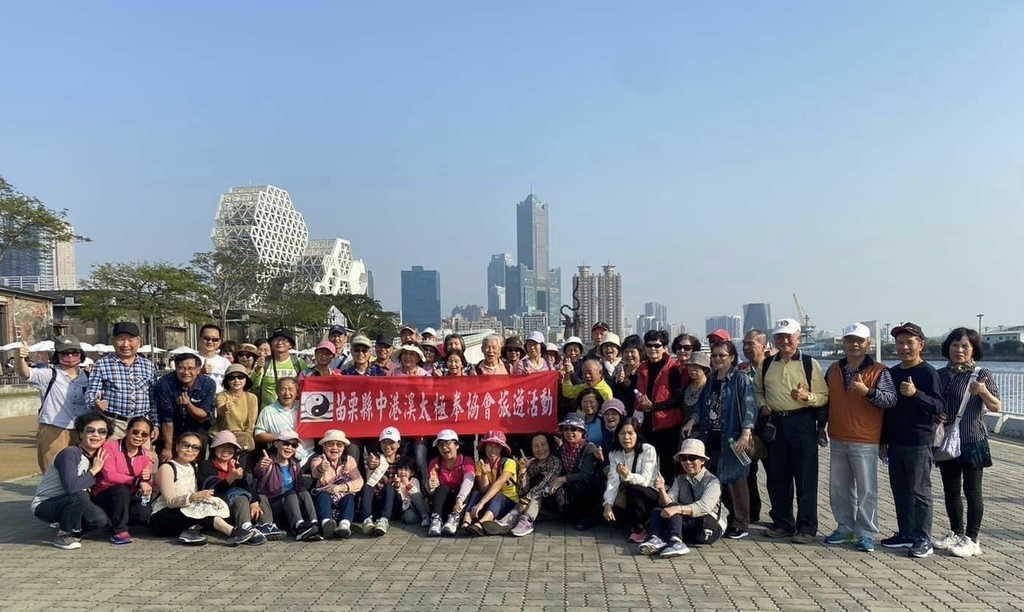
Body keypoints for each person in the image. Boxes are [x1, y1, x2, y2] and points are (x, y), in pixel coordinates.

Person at [823, 323, 898, 553]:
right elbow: (826, 399)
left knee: (867, 489)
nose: (854, 344)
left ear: (868, 344)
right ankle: (844, 528)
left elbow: (891, 400)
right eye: (849, 340)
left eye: (859, 341)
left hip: (865, 438)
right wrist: (820, 425)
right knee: (838, 487)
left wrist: (868, 392)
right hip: (837, 435)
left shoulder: (879, 371)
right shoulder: (834, 369)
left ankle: (866, 532)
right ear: (843, 343)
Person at [754, 318, 829, 543]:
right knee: (778, 476)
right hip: (776, 424)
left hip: (802, 422)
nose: (785, 340)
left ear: (798, 338)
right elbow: (757, 390)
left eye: (789, 336)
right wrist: (762, 404)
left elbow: (824, 396)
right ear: (774, 339)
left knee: (805, 477)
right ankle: (783, 523)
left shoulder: (809, 363)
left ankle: (806, 527)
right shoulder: (766, 364)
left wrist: (809, 398)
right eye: (780, 336)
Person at [934, 327, 1001, 558]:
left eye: (965, 346)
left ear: (973, 349)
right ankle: (955, 532)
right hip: (947, 440)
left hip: (972, 439)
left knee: (972, 491)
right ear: (948, 348)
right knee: (950, 490)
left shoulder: (982, 374)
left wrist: (982, 391)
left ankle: (972, 539)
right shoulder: (941, 375)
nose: (959, 350)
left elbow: (996, 407)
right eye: (955, 345)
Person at [880, 322, 945, 558]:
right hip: (895, 441)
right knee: (900, 489)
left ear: (921, 345)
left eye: (909, 342)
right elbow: (887, 409)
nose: (904, 347)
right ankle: (905, 533)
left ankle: (923, 538)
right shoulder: (892, 372)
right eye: (899, 342)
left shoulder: (927, 372)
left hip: (919, 441)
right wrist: (883, 441)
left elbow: (939, 406)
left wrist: (916, 394)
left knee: (920, 491)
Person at [685, 341, 757, 540]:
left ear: (732, 357)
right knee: (716, 479)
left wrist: (746, 433)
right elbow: (702, 407)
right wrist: (692, 421)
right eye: (715, 356)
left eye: (722, 355)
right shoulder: (710, 380)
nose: (718, 359)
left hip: (733, 437)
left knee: (736, 481)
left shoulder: (740, 379)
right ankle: (722, 518)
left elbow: (749, 406)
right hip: (711, 436)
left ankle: (741, 523)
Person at [149, 431, 255, 546]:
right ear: (177, 446)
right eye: (186, 445)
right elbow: (170, 501)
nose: (190, 450)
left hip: (188, 512)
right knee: (201, 506)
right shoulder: (167, 468)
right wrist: (193, 497)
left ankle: (191, 532)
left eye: (195, 448)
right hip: (163, 517)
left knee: (211, 501)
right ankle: (232, 532)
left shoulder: (194, 467)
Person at [31, 411, 113, 549]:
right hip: (46, 504)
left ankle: (75, 531)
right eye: (90, 430)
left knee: (99, 520)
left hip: (73, 502)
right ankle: (64, 535)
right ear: (81, 434)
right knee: (79, 495)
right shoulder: (70, 453)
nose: (96, 435)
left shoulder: (97, 456)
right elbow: (71, 487)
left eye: (102, 432)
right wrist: (94, 470)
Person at [638, 438, 723, 557]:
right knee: (657, 511)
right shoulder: (680, 479)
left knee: (675, 509)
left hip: (708, 525)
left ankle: (677, 542)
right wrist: (662, 489)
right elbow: (669, 503)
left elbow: (704, 507)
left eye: (692, 458)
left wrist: (678, 509)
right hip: (687, 519)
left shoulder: (712, 481)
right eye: (684, 458)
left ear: (703, 460)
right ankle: (655, 539)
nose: (687, 462)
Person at [17, 336, 90, 472]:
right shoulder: (49, 374)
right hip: (54, 428)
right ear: (57, 355)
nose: (70, 356)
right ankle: (52, 493)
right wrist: (21, 358)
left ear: (81, 354)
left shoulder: (87, 376)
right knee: (52, 469)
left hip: (81, 428)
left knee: (80, 467)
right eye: (65, 353)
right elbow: (26, 374)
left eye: (74, 353)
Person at [197, 430, 283, 545]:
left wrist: (254, 502)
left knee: (259, 497)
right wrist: (231, 478)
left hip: (237, 507)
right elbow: (214, 490)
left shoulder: (235, 465)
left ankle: (265, 525)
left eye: (230, 447)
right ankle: (245, 528)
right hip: (219, 509)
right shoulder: (206, 465)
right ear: (214, 448)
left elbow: (245, 485)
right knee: (241, 497)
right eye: (222, 446)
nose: (226, 450)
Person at [85, 322, 157, 440]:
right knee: (111, 457)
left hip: (141, 425)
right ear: (113, 341)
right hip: (114, 423)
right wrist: (95, 403)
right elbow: (91, 393)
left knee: (142, 457)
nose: (125, 344)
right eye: (121, 339)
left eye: (130, 340)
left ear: (138, 341)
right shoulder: (102, 364)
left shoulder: (148, 365)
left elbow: (153, 398)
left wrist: (156, 423)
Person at [91, 416, 156, 545]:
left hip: (130, 496)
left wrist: (148, 479)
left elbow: (145, 481)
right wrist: (137, 481)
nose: (139, 437)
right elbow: (109, 476)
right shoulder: (109, 447)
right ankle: (120, 531)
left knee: (143, 514)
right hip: (106, 494)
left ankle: (114, 521)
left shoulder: (147, 455)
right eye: (135, 432)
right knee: (121, 489)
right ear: (127, 431)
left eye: (144, 434)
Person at [635, 330, 688, 480]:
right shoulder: (642, 368)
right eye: (649, 345)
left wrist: (654, 407)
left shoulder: (671, 369)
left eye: (657, 345)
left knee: (667, 464)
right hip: (646, 424)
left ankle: (667, 496)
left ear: (664, 347)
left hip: (667, 425)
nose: (653, 349)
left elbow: (678, 398)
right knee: (646, 463)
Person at [253, 430, 320, 541]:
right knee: (291, 494)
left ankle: (314, 524)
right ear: (276, 444)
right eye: (286, 444)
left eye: (293, 445)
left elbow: (299, 489)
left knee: (303, 491)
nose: (289, 448)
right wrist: (261, 466)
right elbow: (258, 472)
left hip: (292, 509)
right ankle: (298, 527)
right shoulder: (267, 463)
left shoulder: (295, 465)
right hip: (274, 508)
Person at [602, 417, 660, 543]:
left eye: (630, 433)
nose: (626, 437)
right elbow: (613, 481)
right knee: (614, 521)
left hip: (650, 493)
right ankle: (632, 523)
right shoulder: (614, 454)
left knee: (634, 489)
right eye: (622, 433)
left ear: (637, 434)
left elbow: (645, 480)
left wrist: (628, 475)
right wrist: (607, 504)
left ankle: (642, 527)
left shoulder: (648, 450)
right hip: (627, 493)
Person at [154, 352, 217, 462]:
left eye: (190, 368)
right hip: (171, 428)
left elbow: (203, 415)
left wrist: (188, 405)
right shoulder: (164, 384)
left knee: (196, 463)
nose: (186, 372)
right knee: (167, 460)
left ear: (198, 370)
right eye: (181, 368)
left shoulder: (208, 383)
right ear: (175, 368)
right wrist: (168, 447)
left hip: (197, 427)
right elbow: (166, 419)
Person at [461, 431, 520, 535]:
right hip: (489, 499)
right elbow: (484, 490)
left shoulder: (509, 463)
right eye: (490, 446)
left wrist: (481, 503)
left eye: (497, 446)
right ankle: (466, 522)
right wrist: (484, 474)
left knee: (499, 495)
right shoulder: (480, 464)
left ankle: (481, 523)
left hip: (509, 501)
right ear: (485, 447)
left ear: (501, 449)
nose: (493, 450)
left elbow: (498, 484)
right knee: (476, 493)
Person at [550, 413, 601, 530]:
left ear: (582, 432)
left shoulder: (589, 448)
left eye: (573, 429)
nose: (569, 432)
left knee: (583, 484)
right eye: (565, 429)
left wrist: (562, 479)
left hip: (587, 489)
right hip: (570, 488)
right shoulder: (561, 449)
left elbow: (586, 475)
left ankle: (588, 518)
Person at [740, 329, 770, 524]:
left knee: (775, 473)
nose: (746, 347)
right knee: (748, 472)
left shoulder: (772, 367)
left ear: (763, 346)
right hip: (748, 428)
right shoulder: (742, 370)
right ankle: (751, 512)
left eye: (751, 344)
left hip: (770, 426)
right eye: (745, 344)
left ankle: (781, 516)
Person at [309, 429, 363, 538]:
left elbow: (359, 481)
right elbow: (315, 473)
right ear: (324, 446)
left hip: (342, 497)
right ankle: (326, 524)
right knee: (322, 495)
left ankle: (344, 526)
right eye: (330, 444)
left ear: (343, 448)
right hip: (325, 500)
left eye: (339, 445)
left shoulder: (349, 460)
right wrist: (321, 468)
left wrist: (340, 487)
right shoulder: (317, 460)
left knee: (350, 497)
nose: (335, 447)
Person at [508, 433, 563, 537]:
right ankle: (508, 521)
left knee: (540, 487)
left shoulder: (555, 462)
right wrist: (523, 470)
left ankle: (526, 521)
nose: (540, 449)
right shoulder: (531, 462)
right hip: (533, 507)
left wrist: (526, 499)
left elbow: (545, 483)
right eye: (536, 446)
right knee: (532, 493)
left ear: (549, 445)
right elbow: (522, 491)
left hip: (551, 504)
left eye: (543, 444)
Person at [426, 429, 476, 537]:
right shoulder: (435, 463)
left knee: (464, 489)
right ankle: (436, 520)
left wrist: (460, 498)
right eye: (441, 445)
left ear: (457, 445)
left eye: (448, 443)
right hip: (444, 503)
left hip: (460, 504)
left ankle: (455, 519)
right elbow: (433, 490)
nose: (444, 448)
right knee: (443, 488)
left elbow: (468, 481)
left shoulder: (467, 461)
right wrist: (429, 486)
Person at [254, 377, 314, 466]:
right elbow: (259, 435)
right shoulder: (268, 411)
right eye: (283, 389)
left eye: (291, 389)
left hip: (308, 455)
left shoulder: (306, 407)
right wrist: (283, 438)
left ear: (297, 392)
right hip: (281, 457)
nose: (287, 393)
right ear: (277, 392)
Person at [361, 426, 403, 536]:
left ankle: (384, 520)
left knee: (389, 487)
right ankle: (367, 520)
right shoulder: (376, 459)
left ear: (398, 444)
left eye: (391, 443)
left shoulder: (403, 462)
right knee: (367, 487)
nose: (388, 446)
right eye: (384, 443)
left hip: (394, 504)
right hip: (376, 503)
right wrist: (372, 465)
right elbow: (371, 465)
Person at [251, 328, 305, 407]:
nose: (280, 342)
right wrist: (258, 369)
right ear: (271, 344)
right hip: (269, 413)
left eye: (284, 340)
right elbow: (254, 385)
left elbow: (305, 386)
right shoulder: (264, 362)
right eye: (276, 339)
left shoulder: (299, 363)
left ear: (290, 345)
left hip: (293, 412)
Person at [211, 363, 258, 452]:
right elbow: (220, 410)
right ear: (227, 380)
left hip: (243, 438)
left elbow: (252, 421)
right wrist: (225, 408)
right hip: (223, 437)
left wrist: (245, 436)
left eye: (240, 377)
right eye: (232, 377)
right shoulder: (221, 396)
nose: (236, 380)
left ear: (246, 379)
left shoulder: (252, 397)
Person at [393, 457, 430, 526]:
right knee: (407, 517)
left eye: (406, 470)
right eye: (400, 469)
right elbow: (398, 497)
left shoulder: (414, 480)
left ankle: (425, 516)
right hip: (406, 508)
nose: (403, 472)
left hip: (416, 505)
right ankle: (421, 517)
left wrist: (408, 485)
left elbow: (417, 494)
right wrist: (397, 486)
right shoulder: (396, 481)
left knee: (416, 495)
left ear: (412, 473)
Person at [681, 352, 711, 435]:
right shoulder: (686, 387)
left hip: (703, 433)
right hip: (685, 431)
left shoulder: (710, 388)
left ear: (705, 369)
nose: (691, 369)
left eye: (695, 366)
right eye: (689, 366)